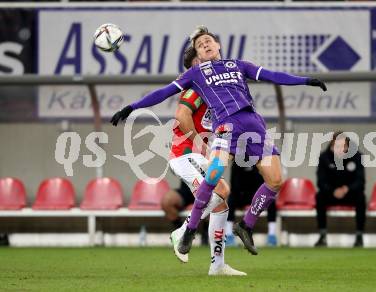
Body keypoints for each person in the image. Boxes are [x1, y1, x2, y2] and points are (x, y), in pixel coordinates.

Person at [111, 25, 327, 256]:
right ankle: (190, 229)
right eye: (200, 45)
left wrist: (305, 80)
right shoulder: (195, 74)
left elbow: (272, 75)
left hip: (254, 124)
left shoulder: (239, 65)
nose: (205, 44)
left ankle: (246, 225)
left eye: (208, 41)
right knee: (214, 174)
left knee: (275, 180)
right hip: (226, 125)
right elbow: (163, 92)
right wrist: (132, 107)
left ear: (218, 45)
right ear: (198, 55)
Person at [166, 46, 246, 275]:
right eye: (201, 61)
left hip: (196, 154)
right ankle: (181, 231)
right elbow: (181, 115)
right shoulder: (196, 89)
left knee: (221, 200)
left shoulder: (214, 90)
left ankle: (217, 265)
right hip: (185, 154)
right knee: (221, 191)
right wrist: (199, 142)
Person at [314, 131, 366, 248]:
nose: (341, 149)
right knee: (319, 196)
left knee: (361, 197)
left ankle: (359, 236)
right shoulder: (324, 158)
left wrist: (347, 189)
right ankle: (322, 236)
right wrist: (333, 191)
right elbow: (321, 181)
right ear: (332, 145)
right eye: (337, 146)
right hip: (331, 194)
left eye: (344, 146)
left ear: (348, 146)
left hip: (349, 194)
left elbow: (360, 181)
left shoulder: (357, 157)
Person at [226, 160, 278, 246]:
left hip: (256, 195)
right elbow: (234, 183)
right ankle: (229, 235)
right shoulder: (236, 162)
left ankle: (272, 236)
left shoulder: (259, 162)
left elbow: (264, 182)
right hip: (241, 195)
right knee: (231, 199)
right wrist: (240, 193)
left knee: (271, 201)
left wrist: (258, 197)